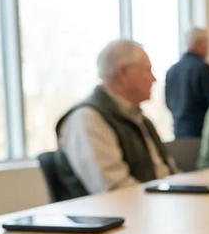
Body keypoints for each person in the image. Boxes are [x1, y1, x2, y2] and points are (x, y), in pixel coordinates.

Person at [55, 40, 178, 199]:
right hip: (127, 218)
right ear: (124, 73)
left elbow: (168, 173)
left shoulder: (140, 119)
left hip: (152, 211)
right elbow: (117, 193)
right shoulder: (88, 119)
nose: (153, 79)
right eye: (148, 70)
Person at [165, 28, 209, 138]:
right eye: (207, 42)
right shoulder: (204, 69)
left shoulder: (172, 70)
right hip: (201, 133)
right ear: (200, 43)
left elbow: (169, 103)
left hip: (178, 133)